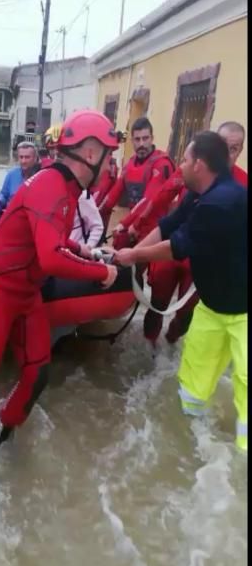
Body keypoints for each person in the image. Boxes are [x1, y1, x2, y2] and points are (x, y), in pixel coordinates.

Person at [0, 109, 120, 525]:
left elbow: (54, 243)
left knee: (37, 372)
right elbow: (50, 256)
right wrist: (101, 272)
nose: (110, 163)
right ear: (89, 152)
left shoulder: (67, 188)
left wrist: (87, 251)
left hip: (27, 293)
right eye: (107, 154)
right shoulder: (51, 184)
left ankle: (5, 435)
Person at [113, 131, 247, 452]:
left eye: (185, 160)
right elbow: (169, 224)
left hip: (244, 313)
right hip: (213, 307)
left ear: (199, 165)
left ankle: (239, 468)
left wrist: (133, 255)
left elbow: (177, 247)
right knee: (192, 385)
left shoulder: (223, 201)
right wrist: (130, 258)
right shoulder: (199, 193)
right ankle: (191, 447)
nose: (181, 165)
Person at [128, 121, 248, 346]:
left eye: (234, 148)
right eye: (222, 146)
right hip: (172, 250)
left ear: (240, 150)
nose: (227, 154)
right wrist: (135, 227)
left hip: (200, 261)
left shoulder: (241, 187)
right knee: (158, 301)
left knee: (185, 313)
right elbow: (161, 199)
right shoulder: (191, 171)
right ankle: (149, 348)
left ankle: (172, 341)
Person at [98, 117, 175, 233]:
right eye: (137, 139)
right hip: (135, 224)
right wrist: (96, 213)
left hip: (155, 230)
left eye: (145, 138)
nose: (141, 144)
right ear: (132, 141)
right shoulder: (130, 164)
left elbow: (148, 200)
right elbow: (113, 194)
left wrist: (124, 224)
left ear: (152, 138)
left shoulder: (161, 164)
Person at [0, 141, 40, 207]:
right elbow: (3, 195)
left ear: (35, 158)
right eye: (21, 157)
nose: (23, 161)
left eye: (27, 157)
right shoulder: (11, 174)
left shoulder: (41, 176)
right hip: (11, 213)